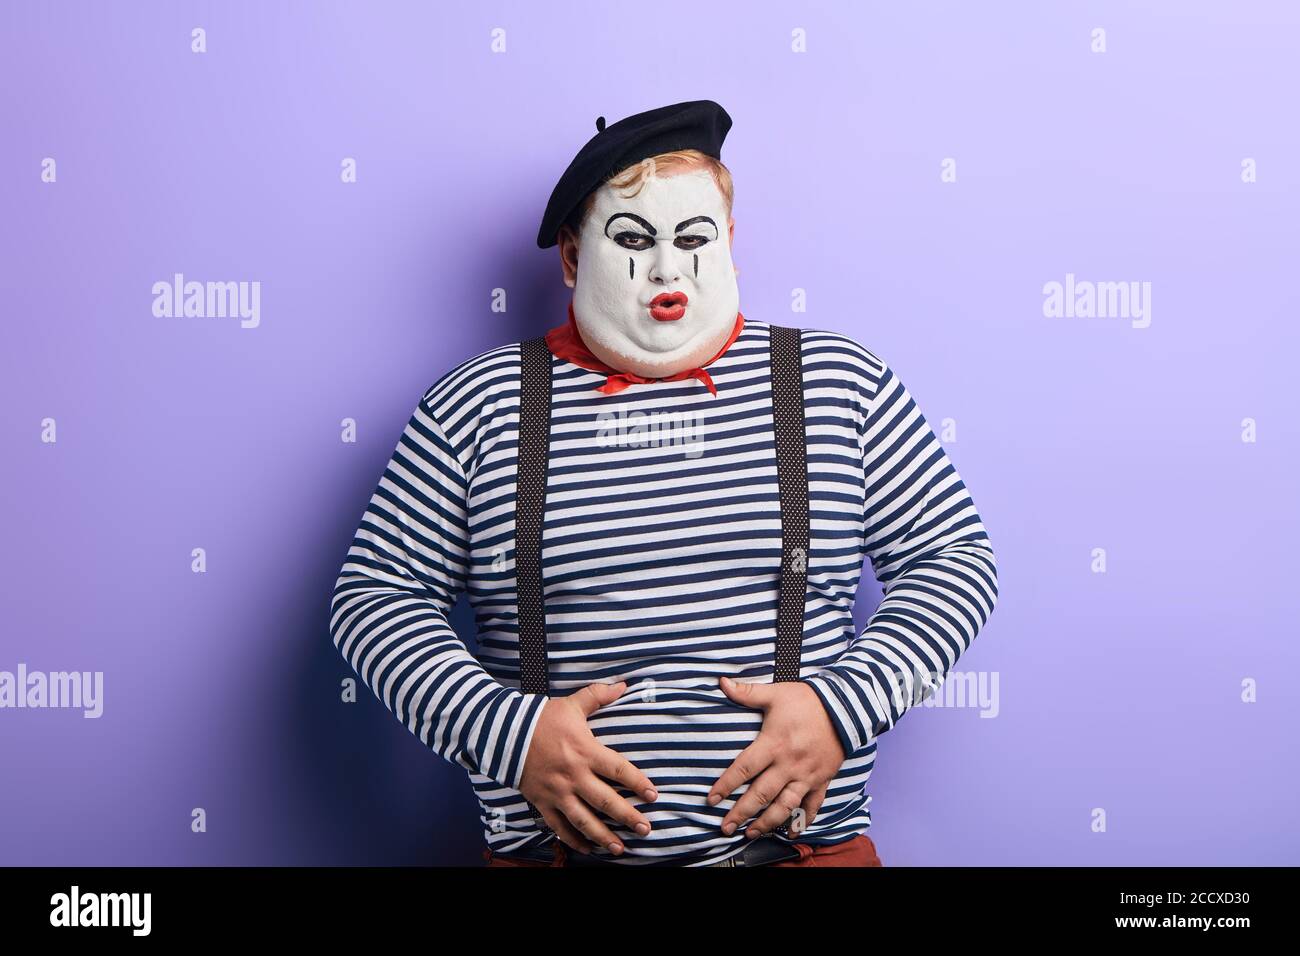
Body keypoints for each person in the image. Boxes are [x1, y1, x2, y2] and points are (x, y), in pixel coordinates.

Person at [329, 100, 998, 867]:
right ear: (574, 260)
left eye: (692, 239)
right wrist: (510, 737)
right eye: (634, 241)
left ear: (730, 243)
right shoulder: (476, 405)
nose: (666, 272)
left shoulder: (837, 384)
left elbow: (956, 562)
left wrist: (839, 709)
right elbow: (374, 599)